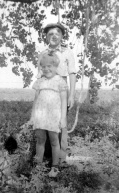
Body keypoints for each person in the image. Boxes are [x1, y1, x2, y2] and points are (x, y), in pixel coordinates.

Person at [37, 23, 76, 166]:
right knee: (45, 123)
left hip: (61, 89)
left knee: (61, 123)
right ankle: (48, 156)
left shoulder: (67, 52)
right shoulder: (43, 53)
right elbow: (40, 75)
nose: (53, 36)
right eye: (50, 34)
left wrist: (71, 95)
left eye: (57, 33)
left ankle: (61, 158)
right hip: (46, 90)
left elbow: (72, 74)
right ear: (46, 37)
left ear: (62, 36)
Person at [29, 52, 68, 177]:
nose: (46, 69)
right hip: (40, 116)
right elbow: (36, 99)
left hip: (54, 117)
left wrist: (63, 118)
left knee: (54, 141)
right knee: (40, 140)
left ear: (56, 66)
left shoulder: (60, 81)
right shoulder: (40, 81)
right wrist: (32, 116)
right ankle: (38, 166)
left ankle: (54, 167)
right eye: (43, 67)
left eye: (49, 66)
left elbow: (64, 101)